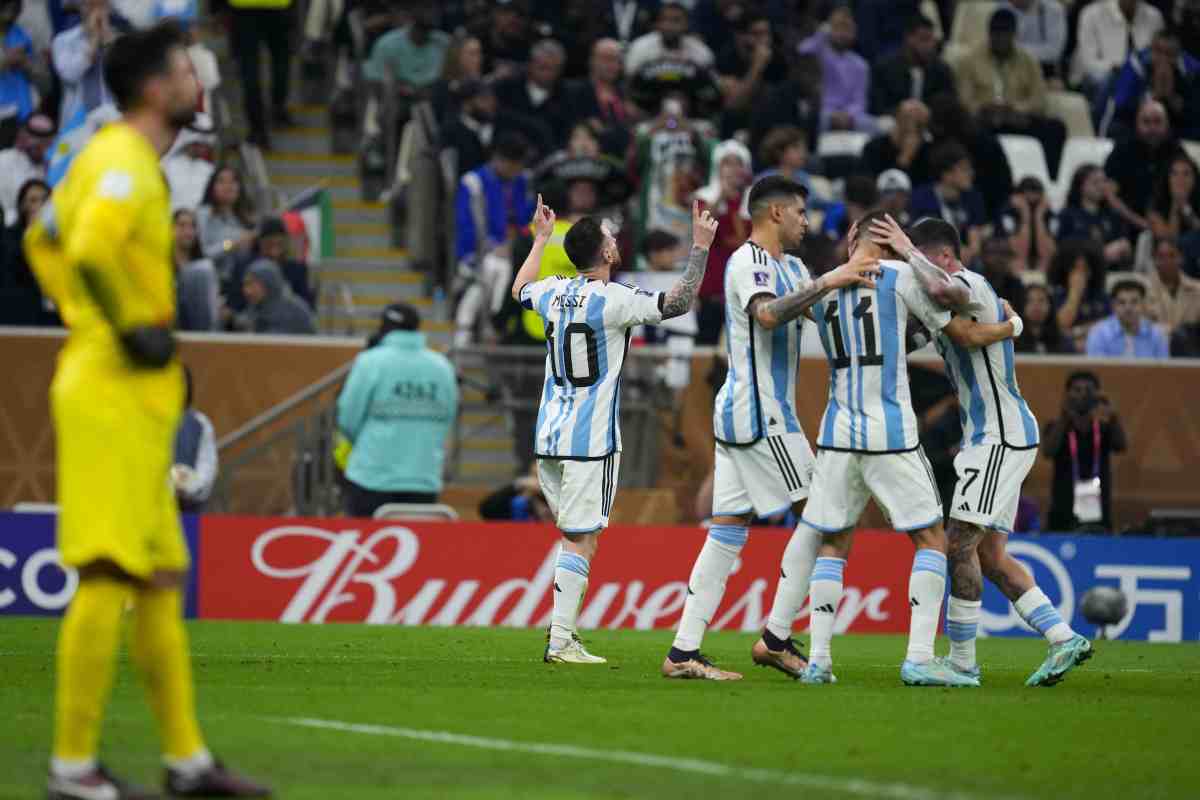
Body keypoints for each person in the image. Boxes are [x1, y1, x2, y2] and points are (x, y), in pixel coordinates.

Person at [24, 22, 268, 798]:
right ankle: (71, 769)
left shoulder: (106, 156)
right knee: (107, 573)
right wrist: (123, 326)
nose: (199, 82)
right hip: (112, 385)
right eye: (186, 72)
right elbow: (90, 248)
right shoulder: (126, 160)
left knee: (161, 576)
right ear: (159, 88)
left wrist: (84, 313)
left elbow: (44, 237)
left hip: (123, 383)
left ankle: (186, 761)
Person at [663, 176, 877, 682]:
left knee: (727, 533)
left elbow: (823, 315)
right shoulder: (748, 262)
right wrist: (832, 279)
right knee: (828, 517)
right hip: (762, 416)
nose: (808, 221)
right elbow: (765, 316)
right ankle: (777, 638)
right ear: (776, 213)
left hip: (751, 415)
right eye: (801, 212)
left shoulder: (796, 267)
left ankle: (682, 652)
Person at [796, 209, 1019, 688]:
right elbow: (957, 309)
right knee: (932, 540)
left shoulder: (827, 284)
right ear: (888, 239)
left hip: (836, 430)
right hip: (890, 430)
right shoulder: (900, 278)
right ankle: (919, 658)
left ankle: (817, 660)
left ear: (852, 236)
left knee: (834, 541)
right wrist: (1007, 327)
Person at [880, 214, 1093, 687]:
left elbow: (945, 294)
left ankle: (961, 662)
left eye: (916, 256)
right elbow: (923, 332)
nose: (908, 266)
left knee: (958, 544)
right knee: (992, 557)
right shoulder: (955, 300)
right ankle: (1063, 639)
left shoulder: (968, 282)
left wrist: (906, 250)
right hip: (996, 436)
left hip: (999, 436)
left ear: (943, 257)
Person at [512, 195, 718, 665]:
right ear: (604, 254)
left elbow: (519, 288)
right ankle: (561, 639)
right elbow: (681, 301)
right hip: (590, 439)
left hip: (548, 435)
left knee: (575, 534)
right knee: (581, 538)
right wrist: (701, 247)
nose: (615, 240)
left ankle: (563, 635)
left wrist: (541, 238)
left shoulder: (553, 290)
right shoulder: (616, 300)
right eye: (610, 237)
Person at [336, 302, 458, 517]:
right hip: (423, 475)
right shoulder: (442, 366)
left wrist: (369, 443)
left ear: (383, 328)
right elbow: (448, 416)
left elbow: (347, 417)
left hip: (371, 475)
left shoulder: (370, 362)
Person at [955, 8, 1066, 176]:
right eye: (996, 34)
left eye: (1005, 35)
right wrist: (985, 108)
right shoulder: (969, 60)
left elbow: (1039, 100)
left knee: (1055, 128)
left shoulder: (1028, 61)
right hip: (984, 121)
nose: (1000, 39)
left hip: (1016, 119)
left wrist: (1016, 109)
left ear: (1014, 35)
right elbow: (964, 101)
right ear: (989, 33)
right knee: (969, 132)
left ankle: (1047, 179)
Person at [1042, 370, 1128, 531]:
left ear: (1096, 394)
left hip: (1097, 509)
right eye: (1077, 390)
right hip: (1062, 509)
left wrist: (1113, 415)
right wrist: (1064, 415)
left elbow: (1121, 446)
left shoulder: (1103, 428)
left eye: (1088, 390)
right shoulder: (1056, 427)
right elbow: (1048, 451)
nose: (1082, 395)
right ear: (1067, 394)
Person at [693, 138, 751, 344]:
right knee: (704, 348)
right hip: (713, 288)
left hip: (744, 290)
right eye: (728, 163)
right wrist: (720, 199)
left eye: (738, 163)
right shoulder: (704, 196)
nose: (733, 169)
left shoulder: (752, 200)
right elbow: (702, 227)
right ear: (718, 167)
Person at [455, 132, 534, 270]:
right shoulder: (473, 183)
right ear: (499, 159)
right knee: (496, 266)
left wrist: (516, 246)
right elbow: (467, 227)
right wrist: (491, 248)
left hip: (517, 248)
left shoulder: (523, 181)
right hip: (482, 254)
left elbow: (528, 219)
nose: (518, 171)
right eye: (514, 166)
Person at [1104, 99, 1183, 231]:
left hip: (1169, 224)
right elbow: (1109, 195)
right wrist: (1141, 223)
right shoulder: (1123, 149)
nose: (1152, 128)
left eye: (1157, 121)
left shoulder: (1177, 151)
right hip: (1127, 221)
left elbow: (1185, 194)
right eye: (1146, 122)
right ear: (1137, 124)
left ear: (1167, 124)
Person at [797, 4, 876, 134]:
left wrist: (847, 115)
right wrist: (823, 31)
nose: (843, 33)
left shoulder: (861, 65)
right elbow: (802, 50)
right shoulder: (820, 53)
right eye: (838, 27)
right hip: (824, 113)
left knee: (878, 126)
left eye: (847, 28)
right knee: (811, 119)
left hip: (851, 117)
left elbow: (860, 102)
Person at [1110, 28, 1200, 140]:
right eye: (1158, 52)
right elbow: (1121, 108)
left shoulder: (1192, 72)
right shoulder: (1135, 66)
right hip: (1136, 127)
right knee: (1118, 128)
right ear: (1150, 50)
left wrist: (1171, 97)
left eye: (1169, 54)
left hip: (1176, 129)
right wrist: (1152, 97)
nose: (1163, 59)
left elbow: (1194, 113)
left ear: (1178, 55)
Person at [50, 0, 130, 125]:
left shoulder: (122, 41)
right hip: (77, 121)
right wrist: (93, 40)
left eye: (101, 5)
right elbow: (70, 75)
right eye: (90, 5)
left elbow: (128, 77)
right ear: (80, 7)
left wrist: (107, 39)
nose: (96, 11)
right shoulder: (63, 40)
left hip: (116, 118)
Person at [227, 0, 294, 149]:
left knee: (249, 67)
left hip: (243, 7)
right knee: (281, 59)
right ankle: (278, 109)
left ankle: (258, 129)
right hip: (278, 5)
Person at [910, 141, 990, 265]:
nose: (971, 173)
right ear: (947, 174)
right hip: (933, 256)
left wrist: (969, 251)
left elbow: (975, 236)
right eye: (964, 169)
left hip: (964, 259)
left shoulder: (973, 197)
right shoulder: (922, 197)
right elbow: (922, 238)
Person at [868, 15, 957, 117]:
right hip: (894, 125)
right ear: (908, 38)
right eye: (924, 39)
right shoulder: (884, 69)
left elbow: (950, 107)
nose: (930, 46)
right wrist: (903, 112)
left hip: (932, 126)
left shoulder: (942, 71)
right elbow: (876, 108)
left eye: (932, 40)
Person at [1071, 0, 1164, 99]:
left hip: (1140, 82)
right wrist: (1119, 70)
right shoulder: (1091, 14)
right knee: (1103, 80)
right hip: (1100, 81)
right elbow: (1088, 63)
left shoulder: (1154, 16)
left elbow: (1158, 57)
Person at [1056, 163, 1133, 268]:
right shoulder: (1067, 215)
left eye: (1104, 181)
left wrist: (1124, 249)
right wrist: (1101, 254)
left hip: (1112, 272)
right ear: (1081, 186)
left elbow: (1125, 246)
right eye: (1095, 182)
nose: (1101, 186)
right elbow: (1063, 251)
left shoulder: (1113, 215)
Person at [0, 176, 51, 324]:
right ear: (22, 206)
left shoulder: (60, 240)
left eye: (45, 200)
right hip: (16, 315)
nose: (40, 205)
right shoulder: (9, 238)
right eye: (33, 200)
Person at [624, 1, 713, 80]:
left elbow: (711, 85)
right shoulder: (640, 48)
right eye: (664, 19)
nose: (668, 25)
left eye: (676, 20)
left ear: (687, 24)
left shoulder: (700, 52)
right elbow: (629, 83)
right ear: (657, 23)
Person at [1085, 277, 1170, 358]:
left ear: (1143, 305)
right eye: (1122, 302)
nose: (1128, 308)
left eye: (1134, 302)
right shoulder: (1099, 334)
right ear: (1113, 306)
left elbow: (1164, 371)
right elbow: (1097, 371)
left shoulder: (1156, 335)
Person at [171, 365, 217, 514]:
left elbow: (207, 466)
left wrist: (189, 486)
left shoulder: (199, 423)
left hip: (186, 511)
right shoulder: (142, 420)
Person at [0, 0, 50, 130]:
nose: (9, 16)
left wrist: (26, 62)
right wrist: (5, 60)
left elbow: (44, 80)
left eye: (14, 10)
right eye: (6, 10)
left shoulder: (21, 34)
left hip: (23, 112)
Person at [859, 99, 932, 187]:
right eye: (907, 119)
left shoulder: (927, 151)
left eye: (918, 124)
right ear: (897, 118)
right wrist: (904, 158)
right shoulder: (873, 148)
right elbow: (873, 186)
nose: (911, 127)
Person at [1050, 240, 1111, 344]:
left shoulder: (1100, 296)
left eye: (1084, 269)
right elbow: (1059, 326)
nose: (1079, 274)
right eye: (1075, 269)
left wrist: (1078, 331)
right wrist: (1075, 293)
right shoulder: (1056, 295)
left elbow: (1109, 326)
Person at [195, 164, 256, 266]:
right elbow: (202, 254)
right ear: (212, 187)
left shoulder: (245, 218)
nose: (228, 186)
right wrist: (231, 244)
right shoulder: (203, 214)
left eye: (233, 181)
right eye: (221, 181)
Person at [237, 259, 317, 335]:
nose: (247, 291)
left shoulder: (294, 312)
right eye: (245, 285)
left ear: (269, 283)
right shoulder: (255, 308)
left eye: (252, 284)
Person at [0, 112, 52, 225]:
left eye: (43, 142)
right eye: (32, 138)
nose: (36, 144)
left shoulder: (51, 165)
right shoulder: (5, 159)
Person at [172, 209, 219, 332]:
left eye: (192, 226)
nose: (188, 231)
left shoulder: (204, 266)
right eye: (182, 225)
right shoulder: (162, 266)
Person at [997, 175, 1056, 273]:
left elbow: (1047, 252)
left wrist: (1038, 217)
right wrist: (1025, 214)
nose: (1032, 202)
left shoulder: (1047, 213)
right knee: (1017, 262)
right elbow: (1018, 251)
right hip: (1015, 262)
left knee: (1046, 262)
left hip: (1040, 264)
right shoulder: (1008, 213)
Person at [1144, 236, 1200, 336]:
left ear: (1181, 258)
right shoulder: (1144, 290)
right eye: (1161, 257)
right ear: (1154, 260)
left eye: (1172, 255)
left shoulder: (1197, 289)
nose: (1167, 261)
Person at [1001, 0, 1068, 79]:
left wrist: (1015, 50)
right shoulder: (1003, 8)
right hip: (1010, 69)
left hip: (1045, 71)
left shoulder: (1053, 9)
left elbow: (1054, 51)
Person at [1147, 153, 1200, 242]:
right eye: (1174, 173)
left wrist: (1185, 208)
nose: (1180, 179)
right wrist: (1175, 205)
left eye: (1186, 174)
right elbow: (1170, 241)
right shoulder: (1156, 203)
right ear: (1168, 178)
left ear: (1194, 179)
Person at [1014, 283, 1073, 353]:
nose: (1036, 306)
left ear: (1050, 306)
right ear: (1023, 306)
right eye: (1030, 301)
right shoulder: (1014, 340)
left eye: (1041, 300)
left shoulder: (1062, 340)